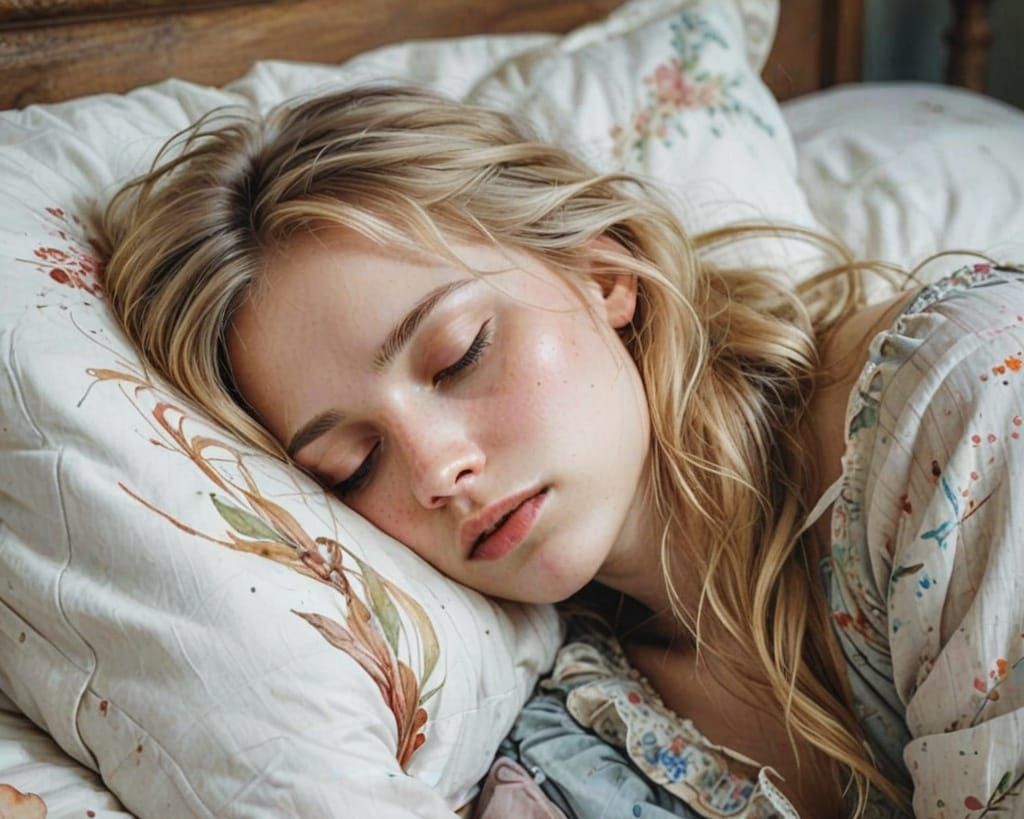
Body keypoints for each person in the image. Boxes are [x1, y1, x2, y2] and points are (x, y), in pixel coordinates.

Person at [94, 85, 1024, 818]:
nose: (432, 470)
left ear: (601, 270)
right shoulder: (574, 731)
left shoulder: (968, 400)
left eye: (459, 354)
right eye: (351, 463)